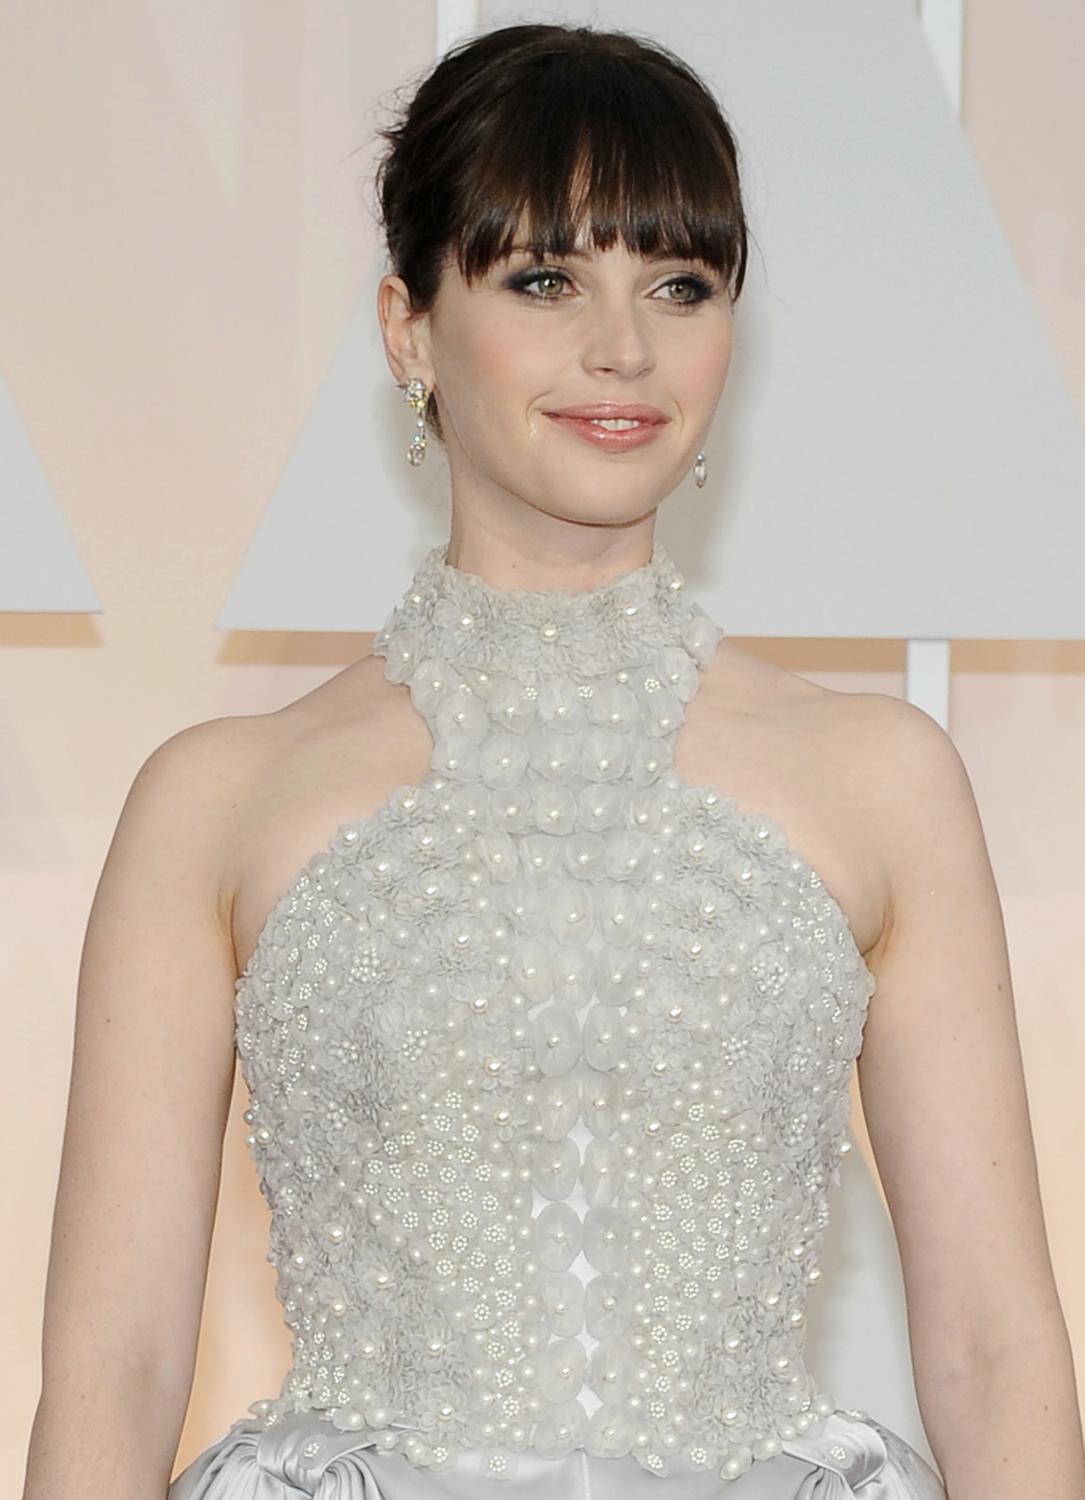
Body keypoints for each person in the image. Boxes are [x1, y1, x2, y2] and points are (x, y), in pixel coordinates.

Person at [21, 20, 1085, 1500]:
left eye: (678, 284)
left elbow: (992, 1345)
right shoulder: (217, 800)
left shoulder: (881, 777)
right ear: (407, 324)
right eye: (543, 279)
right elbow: (116, 1365)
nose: (623, 348)